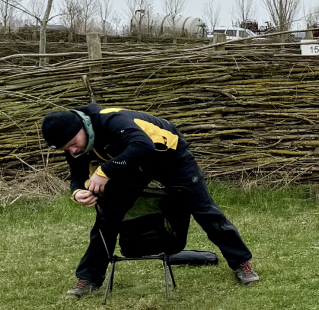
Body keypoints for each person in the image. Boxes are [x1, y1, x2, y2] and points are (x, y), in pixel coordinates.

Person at [41, 104, 258, 298]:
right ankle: (88, 278)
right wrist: (77, 191)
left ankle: (241, 263)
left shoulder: (110, 120)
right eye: (66, 149)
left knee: (203, 210)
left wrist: (105, 170)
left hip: (170, 156)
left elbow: (143, 145)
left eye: (72, 144)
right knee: (108, 215)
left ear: (80, 127)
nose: (73, 150)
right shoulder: (74, 140)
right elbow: (77, 175)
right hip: (131, 165)